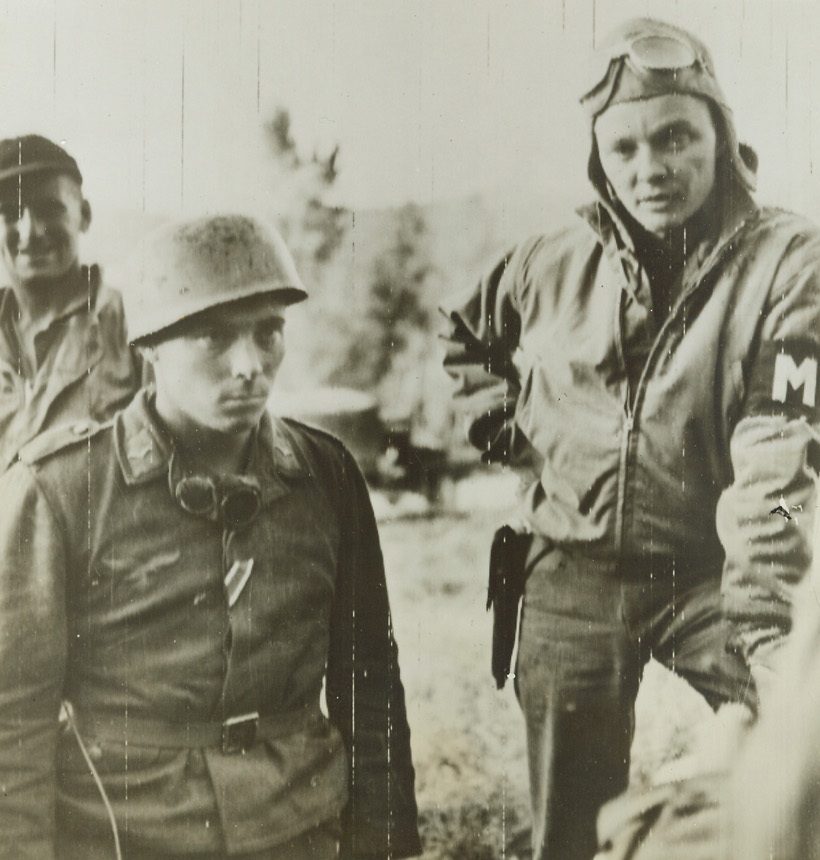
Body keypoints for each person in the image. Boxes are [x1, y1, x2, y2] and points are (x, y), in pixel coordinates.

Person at [442, 17, 820, 860]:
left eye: (676, 136)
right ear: (598, 160)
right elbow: (467, 340)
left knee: (795, 770)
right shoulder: (548, 260)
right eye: (625, 150)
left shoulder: (789, 263)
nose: (651, 169)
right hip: (571, 571)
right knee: (569, 831)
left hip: (712, 573)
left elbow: (780, 456)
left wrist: (767, 632)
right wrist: (519, 435)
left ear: (721, 135)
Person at [0, 213, 422, 860]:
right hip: (123, 833)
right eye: (211, 338)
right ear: (151, 347)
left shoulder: (325, 474)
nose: (249, 365)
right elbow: (14, 720)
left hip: (297, 826)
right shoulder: (60, 490)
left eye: (268, 332)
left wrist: (383, 845)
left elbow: (368, 679)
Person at [0, 134, 141, 468]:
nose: (30, 230)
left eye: (50, 209)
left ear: (85, 215)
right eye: (9, 212)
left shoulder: (132, 323)